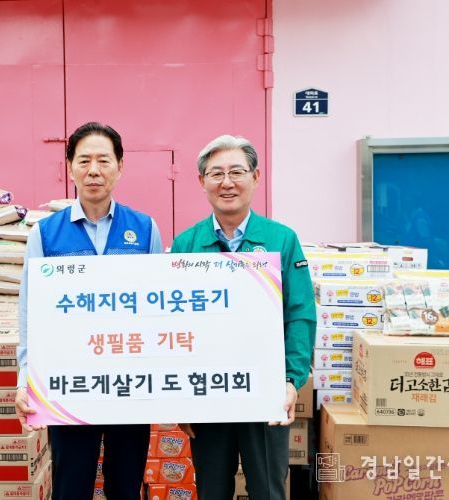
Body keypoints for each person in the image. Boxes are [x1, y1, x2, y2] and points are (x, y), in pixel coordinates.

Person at [15, 122, 163, 500]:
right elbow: (31, 311)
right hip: (70, 383)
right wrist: (25, 380)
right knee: (71, 486)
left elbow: (158, 310)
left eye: (103, 160)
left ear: (120, 166)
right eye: (84, 161)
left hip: (129, 383)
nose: (94, 170)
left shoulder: (145, 229)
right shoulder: (45, 234)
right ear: (70, 168)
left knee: (125, 487)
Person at [170, 134, 316, 500]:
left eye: (236, 171)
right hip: (208, 394)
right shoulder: (186, 244)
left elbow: (300, 314)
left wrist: (291, 380)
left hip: (265, 392)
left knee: (268, 490)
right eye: (216, 173)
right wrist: (181, 398)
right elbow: (173, 323)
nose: (227, 182)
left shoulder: (281, 240)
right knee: (211, 490)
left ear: (255, 177)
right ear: (201, 181)